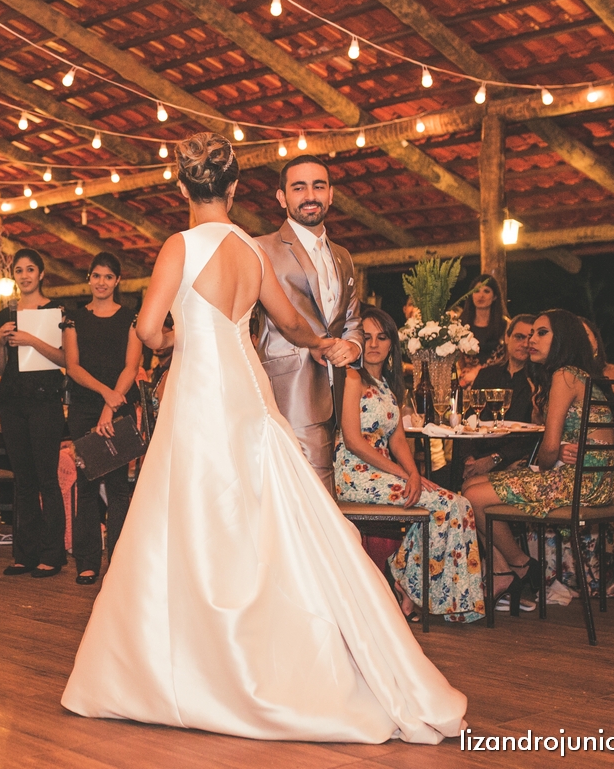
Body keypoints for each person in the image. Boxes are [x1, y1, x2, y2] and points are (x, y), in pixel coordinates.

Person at [62, 133, 465, 744]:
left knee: (189, 516)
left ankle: (192, 659)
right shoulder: (251, 251)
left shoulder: (180, 245)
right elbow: (291, 324)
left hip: (199, 391)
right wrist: (329, 343)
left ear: (182, 188)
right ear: (233, 189)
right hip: (248, 393)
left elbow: (147, 329)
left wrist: (175, 338)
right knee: (259, 515)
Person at [335, 307, 485, 623]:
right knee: (446, 505)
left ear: (392, 344)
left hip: (382, 471)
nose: (374, 344)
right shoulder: (351, 376)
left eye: (382, 337)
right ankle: (408, 580)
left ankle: (411, 576)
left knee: (459, 504)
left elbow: (398, 439)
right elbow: (353, 440)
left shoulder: (389, 385)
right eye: (366, 336)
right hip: (352, 473)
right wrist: (405, 474)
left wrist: (415, 474)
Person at [461, 310, 614, 601]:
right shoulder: (572, 374)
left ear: (562, 338)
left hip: (584, 480)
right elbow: (553, 446)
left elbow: (547, 448)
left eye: (541, 333)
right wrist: (551, 455)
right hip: (585, 475)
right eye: (531, 333)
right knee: (470, 487)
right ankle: (502, 571)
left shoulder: (565, 375)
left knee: (473, 497)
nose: (532, 339)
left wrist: (548, 458)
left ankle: (520, 566)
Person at [254, 154, 363, 495]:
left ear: (331, 194)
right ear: (282, 197)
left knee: (305, 501)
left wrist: (353, 346)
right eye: (298, 188)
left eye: (319, 186)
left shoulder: (343, 256)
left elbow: (353, 321)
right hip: (283, 391)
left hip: (335, 393)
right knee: (312, 500)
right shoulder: (261, 249)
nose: (310, 195)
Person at [63, 252, 142, 585]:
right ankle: (88, 561)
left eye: (108, 277)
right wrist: (104, 395)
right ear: (89, 278)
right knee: (86, 484)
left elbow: (131, 366)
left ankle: (120, 560)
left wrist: (111, 405)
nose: (101, 282)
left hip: (119, 407)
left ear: (117, 281)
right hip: (84, 406)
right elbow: (73, 366)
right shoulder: (74, 319)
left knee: (118, 488)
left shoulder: (132, 319)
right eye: (96, 275)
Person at [0, 249, 69, 578]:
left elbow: (65, 359)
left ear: (41, 274)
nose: (24, 275)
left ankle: (52, 554)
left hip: (45, 401)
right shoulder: (6, 312)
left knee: (47, 480)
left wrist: (30, 340)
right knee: (22, 481)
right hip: (11, 401)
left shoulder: (56, 312)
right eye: (19, 271)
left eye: (30, 270)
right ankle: (23, 554)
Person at [463, 314, 538, 480]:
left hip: (511, 460)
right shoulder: (487, 375)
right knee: (432, 480)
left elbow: (534, 434)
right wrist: (468, 459)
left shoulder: (538, 382)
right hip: (475, 457)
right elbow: (469, 419)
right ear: (507, 337)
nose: (525, 344)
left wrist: (494, 459)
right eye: (519, 337)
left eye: (530, 338)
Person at [457, 274, 507, 388]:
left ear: (495, 296)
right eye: (477, 291)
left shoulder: (505, 325)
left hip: (496, 380)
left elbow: (508, 356)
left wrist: (480, 373)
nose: (481, 295)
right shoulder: (461, 324)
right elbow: (458, 357)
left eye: (486, 291)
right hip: (467, 381)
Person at [581, 317, 614, 404]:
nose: (582, 340)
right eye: (576, 337)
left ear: (596, 340)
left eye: (586, 335)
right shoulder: (562, 375)